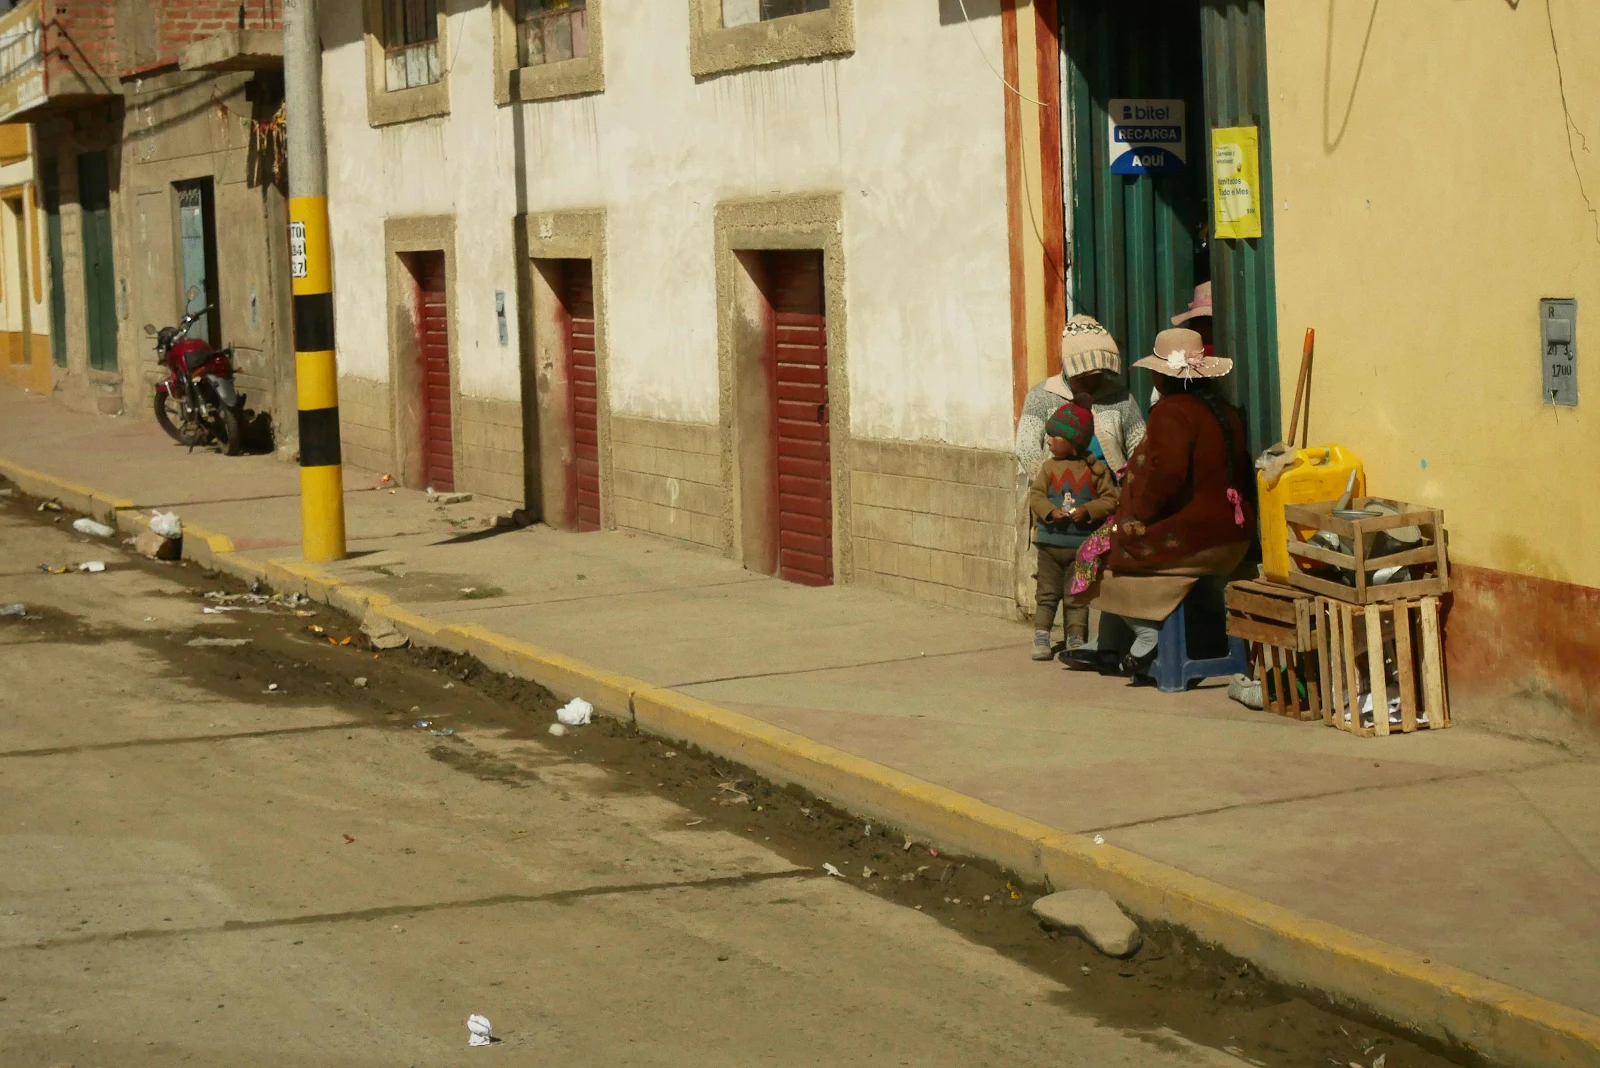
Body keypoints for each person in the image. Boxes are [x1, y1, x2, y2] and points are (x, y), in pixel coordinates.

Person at [1065, 327, 1254, 685]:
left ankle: (1145, 635)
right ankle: (1108, 645)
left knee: (1100, 548)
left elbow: (1165, 477)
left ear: (1163, 375)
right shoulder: (1223, 410)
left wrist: (1136, 517)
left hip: (1197, 538)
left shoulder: (1172, 413)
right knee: (1110, 535)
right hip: (1233, 535)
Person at [1028, 399, 1119, 660]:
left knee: (1077, 595)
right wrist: (1049, 511)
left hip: (1081, 549)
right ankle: (1042, 635)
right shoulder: (1048, 468)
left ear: (1074, 441)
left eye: (1055, 436)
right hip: (1050, 545)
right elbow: (1036, 496)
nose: (1049, 441)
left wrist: (1088, 510)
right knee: (1046, 593)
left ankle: (1076, 637)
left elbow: (1110, 500)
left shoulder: (1096, 470)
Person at [1016, 315, 1147, 480]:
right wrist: (1050, 482)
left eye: (1096, 374)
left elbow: (1140, 445)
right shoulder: (1041, 395)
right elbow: (1026, 447)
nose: (1090, 381)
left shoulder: (1120, 397)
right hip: (1057, 488)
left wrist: (1131, 482)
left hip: (1110, 488)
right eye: (1082, 375)